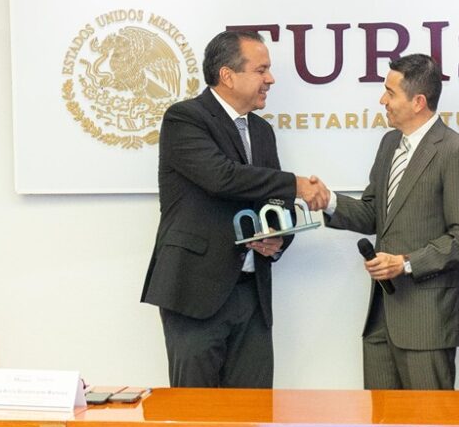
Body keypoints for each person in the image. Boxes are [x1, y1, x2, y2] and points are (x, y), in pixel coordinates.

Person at [141, 30, 329, 388]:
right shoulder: (185, 118)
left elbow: (275, 202)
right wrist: (295, 184)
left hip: (251, 293)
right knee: (195, 411)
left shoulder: (262, 130)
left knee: (254, 411)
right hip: (195, 293)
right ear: (227, 76)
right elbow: (221, 177)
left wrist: (277, 238)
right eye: (261, 70)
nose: (270, 79)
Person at [323, 53, 459, 390]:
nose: (382, 100)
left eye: (390, 93)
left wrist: (406, 263)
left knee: (431, 420)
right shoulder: (389, 144)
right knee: (382, 422)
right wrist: (327, 201)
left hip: (427, 323)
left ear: (418, 102)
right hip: (380, 321)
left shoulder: (457, 151)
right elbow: (373, 214)